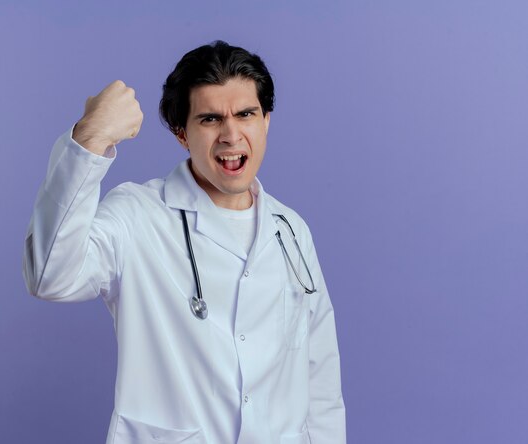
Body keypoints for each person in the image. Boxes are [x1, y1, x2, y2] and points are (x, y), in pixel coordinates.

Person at [23, 40, 346, 444]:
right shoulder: (137, 215)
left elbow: (321, 382)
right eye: (210, 119)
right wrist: (90, 139)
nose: (231, 134)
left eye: (246, 114)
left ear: (266, 121)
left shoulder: (290, 231)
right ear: (181, 134)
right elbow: (49, 275)